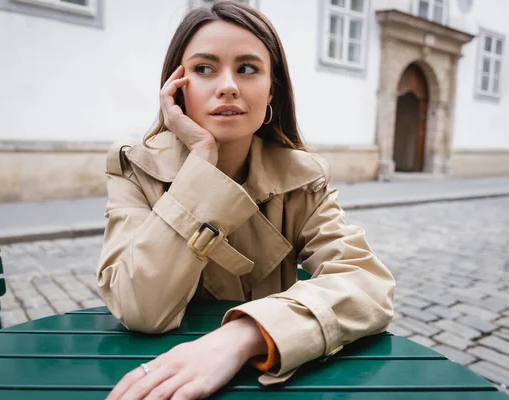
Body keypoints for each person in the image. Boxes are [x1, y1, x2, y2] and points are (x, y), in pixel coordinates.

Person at [97, 1, 395, 399]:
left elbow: (367, 284)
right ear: (176, 88)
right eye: (204, 69)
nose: (228, 86)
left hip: (267, 380)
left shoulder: (303, 180)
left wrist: (244, 335)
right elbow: (140, 309)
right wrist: (201, 164)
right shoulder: (135, 169)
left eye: (248, 68)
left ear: (273, 89)